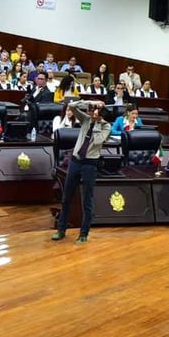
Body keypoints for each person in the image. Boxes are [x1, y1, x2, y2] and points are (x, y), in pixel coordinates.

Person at [53, 100, 111, 244]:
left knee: (87, 200)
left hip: (90, 164)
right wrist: (90, 102)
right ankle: (61, 229)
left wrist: (97, 121)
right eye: (93, 109)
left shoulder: (106, 126)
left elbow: (97, 141)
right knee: (66, 197)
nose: (93, 111)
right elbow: (72, 106)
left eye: (97, 109)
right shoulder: (85, 119)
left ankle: (84, 234)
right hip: (75, 161)